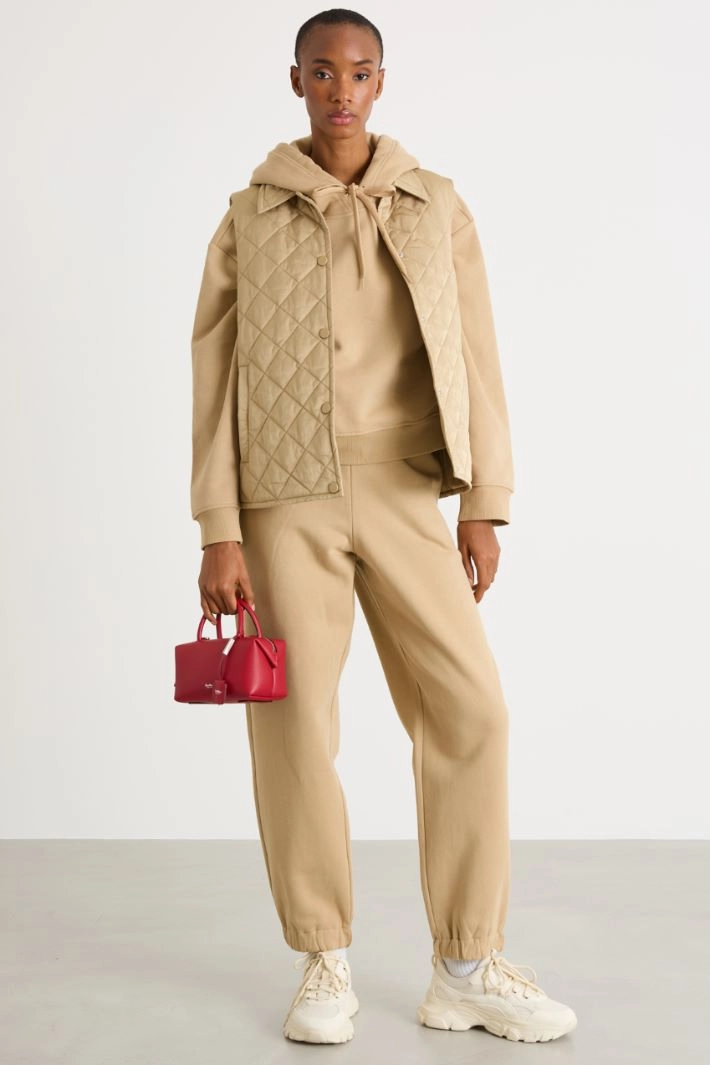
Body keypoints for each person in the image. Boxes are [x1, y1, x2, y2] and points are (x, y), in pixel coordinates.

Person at [189, 6, 577, 1047]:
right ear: (295, 82)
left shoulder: (433, 202)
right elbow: (213, 376)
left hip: (407, 488)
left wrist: (485, 500)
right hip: (284, 498)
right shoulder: (247, 217)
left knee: (471, 710)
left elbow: (478, 354)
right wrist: (218, 525)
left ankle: (465, 965)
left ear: (381, 82)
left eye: (359, 72)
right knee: (294, 725)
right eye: (322, 72)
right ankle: (322, 956)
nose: (341, 90)